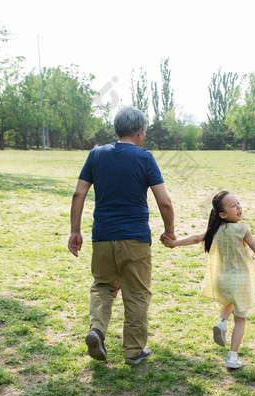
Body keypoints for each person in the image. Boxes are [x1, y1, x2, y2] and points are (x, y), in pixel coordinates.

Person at [68, 106, 175, 366]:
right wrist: (169, 231)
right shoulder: (144, 158)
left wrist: (75, 230)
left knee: (103, 287)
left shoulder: (96, 155)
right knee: (136, 294)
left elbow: (78, 194)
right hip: (135, 238)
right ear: (140, 131)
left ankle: (97, 330)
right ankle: (133, 351)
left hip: (102, 236)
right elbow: (165, 203)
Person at [161, 191, 255, 369]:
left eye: (238, 203)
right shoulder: (242, 229)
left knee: (228, 302)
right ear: (223, 214)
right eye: (233, 206)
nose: (239, 207)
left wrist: (174, 243)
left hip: (222, 281)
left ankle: (222, 322)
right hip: (240, 281)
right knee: (240, 320)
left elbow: (195, 238)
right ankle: (232, 357)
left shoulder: (214, 230)